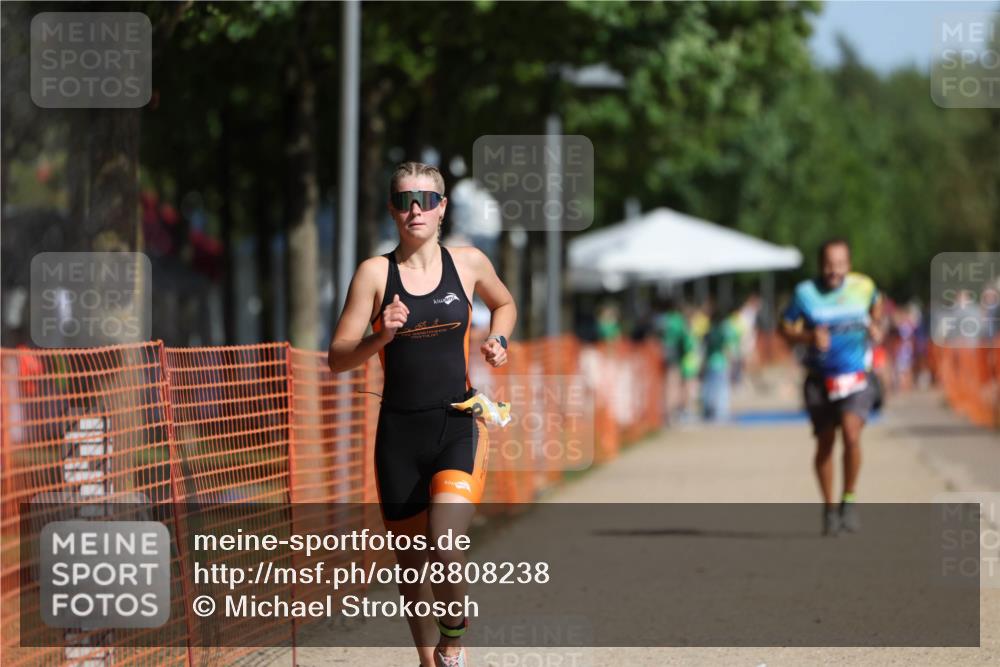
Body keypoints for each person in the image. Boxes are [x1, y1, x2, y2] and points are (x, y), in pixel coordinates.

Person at [327, 161, 516, 667]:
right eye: (406, 200)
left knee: (445, 543)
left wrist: (498, 339)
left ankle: (453, 637)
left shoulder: (469, 263)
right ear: (393, 209)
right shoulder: (374, 274)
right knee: (412, 568)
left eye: (427, 199)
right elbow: (337, 358)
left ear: (443, 208)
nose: (417, 209)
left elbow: (504, 303)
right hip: (399, 435)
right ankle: (429, 659)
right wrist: (379, 336)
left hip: (457, 423)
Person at [780, 238, 883, 537]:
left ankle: (848, 500)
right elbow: (784, 328)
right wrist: (809, 338)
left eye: (839, 265)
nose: (833, 271)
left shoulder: (863, 286)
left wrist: (877, 325)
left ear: (848, 265)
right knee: (825, 443)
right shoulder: (805, 294)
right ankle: (828, 509)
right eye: (828, 265)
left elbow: (876, 307)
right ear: (820, 265)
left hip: (855, 377)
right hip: (819, 379)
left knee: (851, 434)